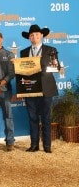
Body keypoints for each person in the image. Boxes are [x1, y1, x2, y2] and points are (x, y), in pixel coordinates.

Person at [20, 24, 60, 153]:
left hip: (46, 89)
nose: (34, 37)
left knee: (46, 118)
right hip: (30, 89)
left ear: (41, 35)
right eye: (31, 35)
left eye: (37, 35)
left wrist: (56, 64)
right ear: (29, 38)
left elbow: (56, 68)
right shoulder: (24, 52)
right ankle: (34, 145)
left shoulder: (51, 50)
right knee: (32, 118)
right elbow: (22, 71)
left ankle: (47, 146)